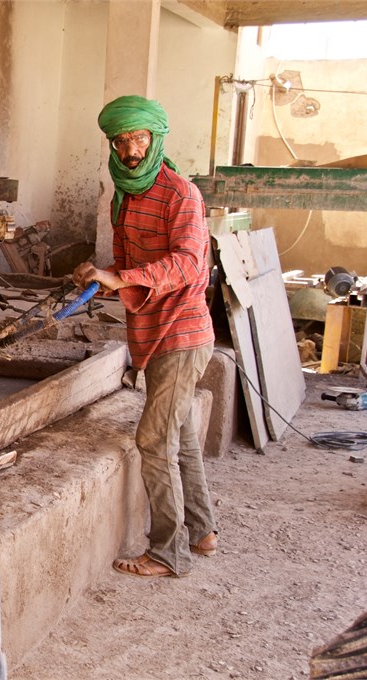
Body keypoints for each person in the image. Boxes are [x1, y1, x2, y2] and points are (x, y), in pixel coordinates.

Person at [72, 95, 217, 578]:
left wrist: (123, 279)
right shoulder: (124, 196)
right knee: (181, 435)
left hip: (182, 332)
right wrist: (101, 276)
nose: (131, 150)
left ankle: (168, 552)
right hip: (151, 332)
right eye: (121, 141)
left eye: (139, 138)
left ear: (156, 138)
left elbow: (189, 264)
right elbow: (127, 266)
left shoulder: (181, 194)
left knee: (153, 440)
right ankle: (202, 532)